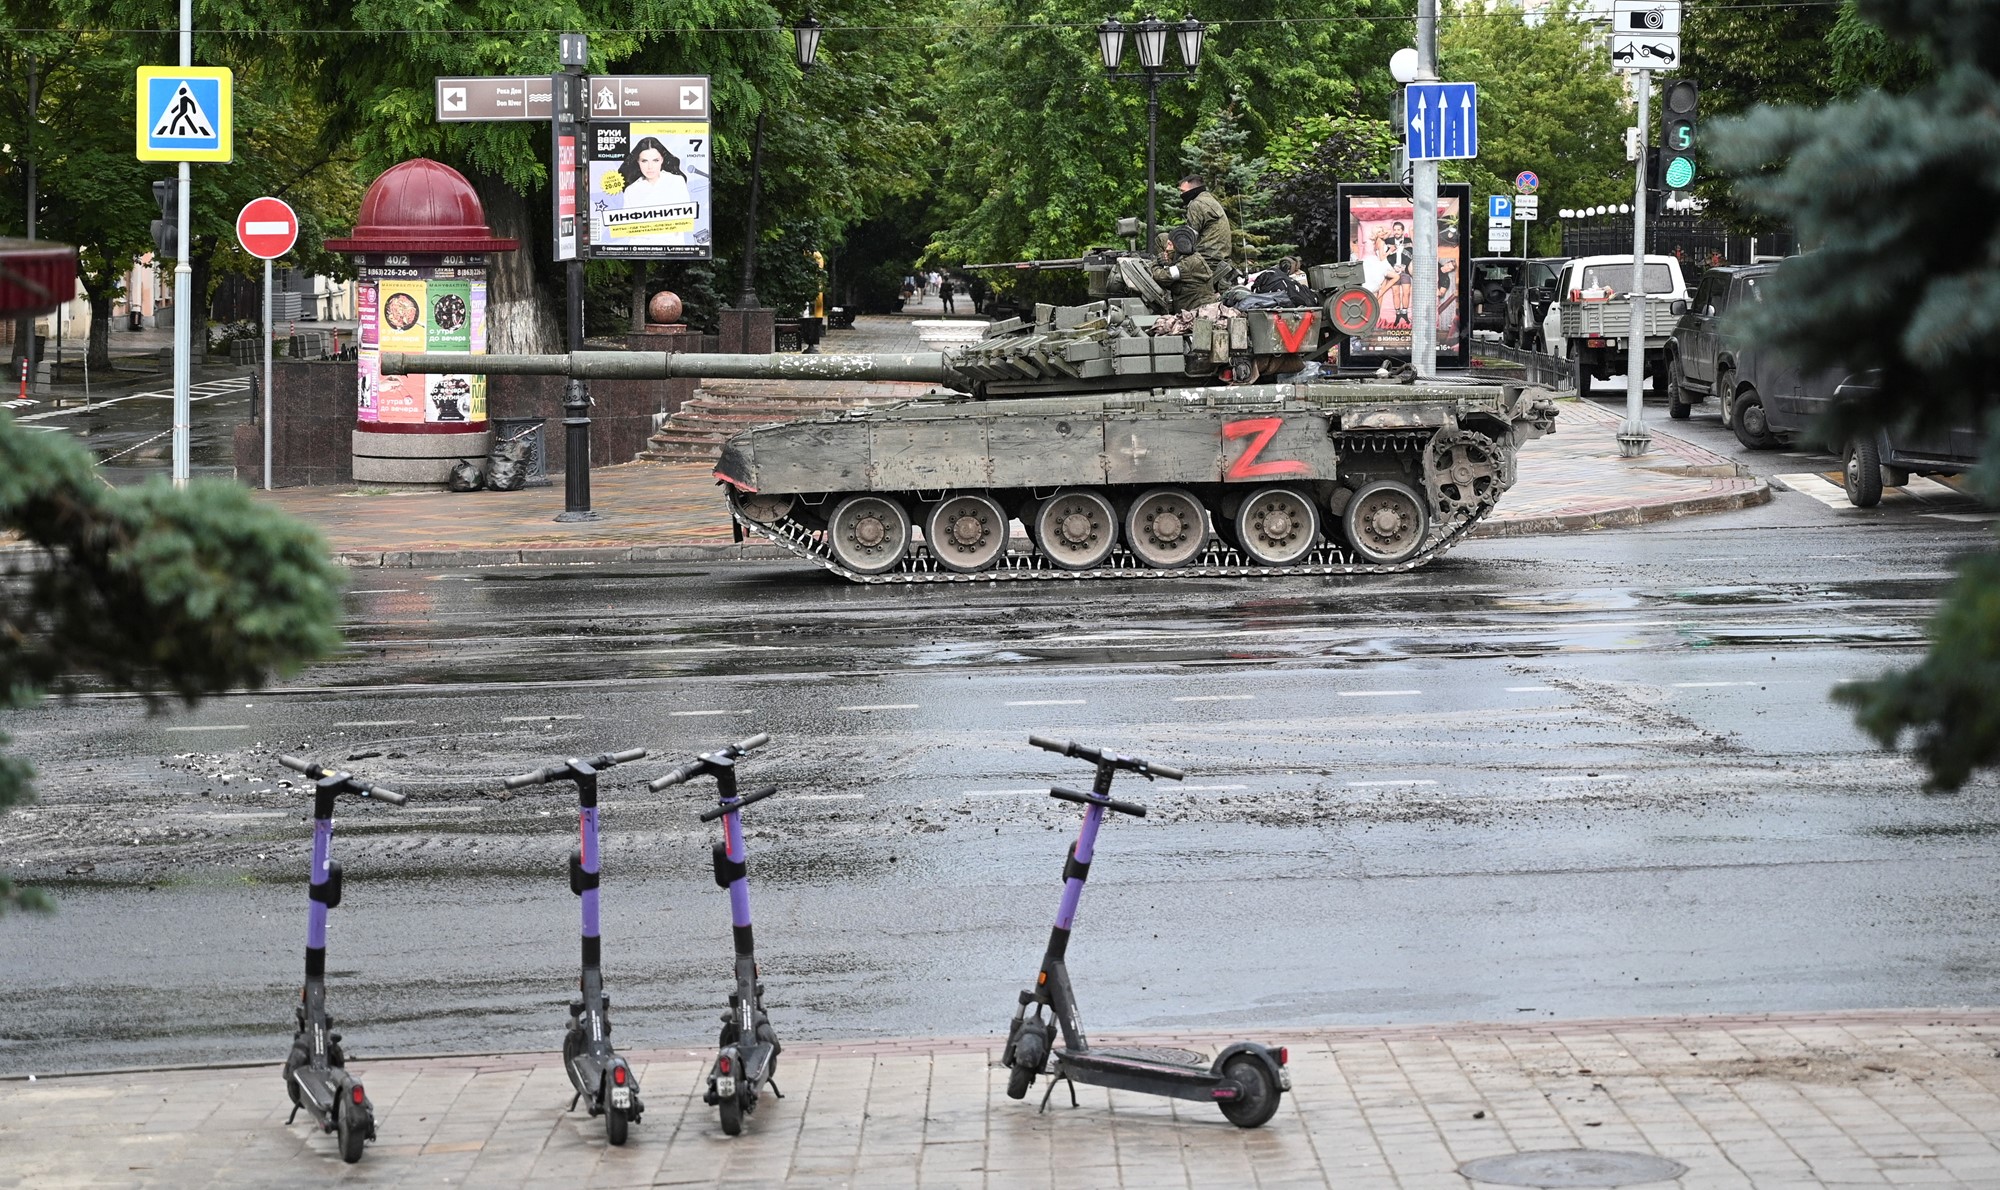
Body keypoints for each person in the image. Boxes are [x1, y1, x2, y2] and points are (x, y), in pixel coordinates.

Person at [1176, 174, 1233, 281]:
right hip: (1220, 257)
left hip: (1207, 260)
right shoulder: (1209, 200)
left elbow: (1188, 240)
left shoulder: (1197, 204)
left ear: (1193, 190)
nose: (1181, 194)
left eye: (1183, 191)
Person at [1151, 227, 1216, 313]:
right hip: (1194, 312)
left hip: (1198, 315)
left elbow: (1160, 276)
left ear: (1178, 246)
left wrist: (1156, 263)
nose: (1166, 249)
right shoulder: (1189, 259)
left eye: (1170, 244)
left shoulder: (1187, 264)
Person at [618, 137, 691, 205]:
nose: (650, 167)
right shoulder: (630, 191)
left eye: (655, 160)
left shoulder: (677, 182)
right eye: (644, 161)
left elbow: (687, 215)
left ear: (662, 160)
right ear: (638, 161)